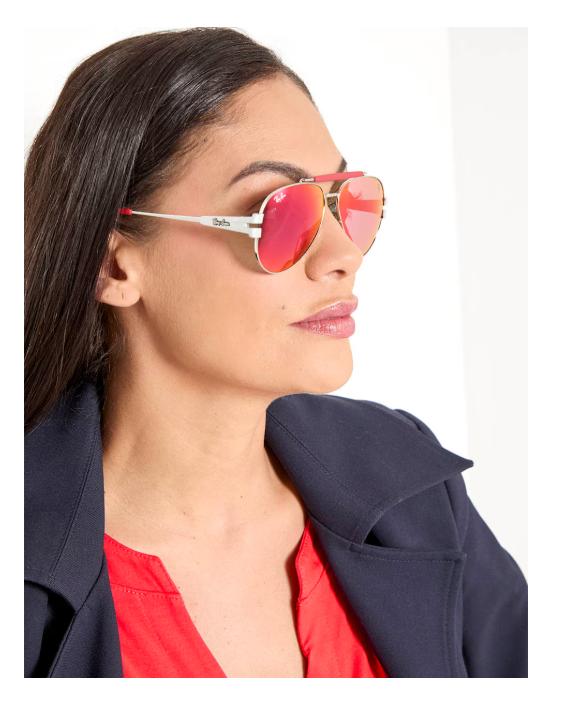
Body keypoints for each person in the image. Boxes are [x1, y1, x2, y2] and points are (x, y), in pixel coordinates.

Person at [24, 27, 527, 678]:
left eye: (343, 203)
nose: (343, 255)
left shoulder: (411, 487)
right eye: (278, 213)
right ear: (114, 266)